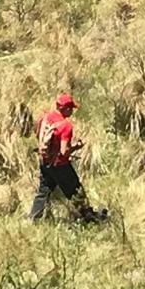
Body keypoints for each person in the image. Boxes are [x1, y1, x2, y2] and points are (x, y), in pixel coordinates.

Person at [29, 94, 107, 223]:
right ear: (66, 109)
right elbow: (64, 152)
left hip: (45, 161)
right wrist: (76, 147)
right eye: (71, 108)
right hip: (61, 166)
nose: (72, 111)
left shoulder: (45, 117)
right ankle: (89, 218)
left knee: (43, 191)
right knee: (76, 191)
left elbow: (38, 135)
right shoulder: (66, 126)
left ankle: (34, 218)